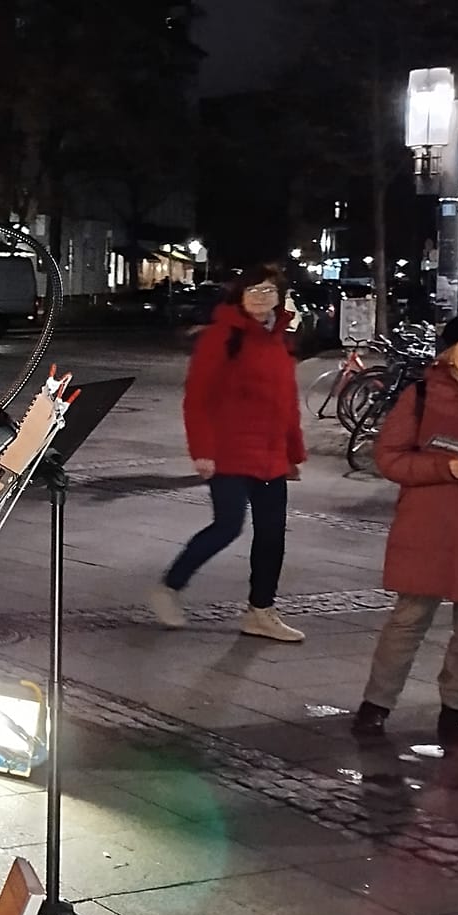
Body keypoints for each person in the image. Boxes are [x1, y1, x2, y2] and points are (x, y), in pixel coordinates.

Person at [351, 310, 458, 751]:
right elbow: (390, 458)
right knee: (408, 620)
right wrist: (446, 467)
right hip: (431, 527)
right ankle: (376, 705)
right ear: (451, 354)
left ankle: (455, 714)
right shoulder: (421, 394)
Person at [149, 265, 308, 642]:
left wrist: (293, 453)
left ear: (279, 296)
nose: (260, 296)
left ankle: (260, 611)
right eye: (252, 289)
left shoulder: (279, 340)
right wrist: (202, 451)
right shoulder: (221, 338)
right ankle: (169, 586)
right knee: (228, 526)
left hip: (271, 454)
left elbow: (287, 402)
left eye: (268, 290)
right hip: (229, 451)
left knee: (272, 535)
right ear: (239, 296)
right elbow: (197, 400)